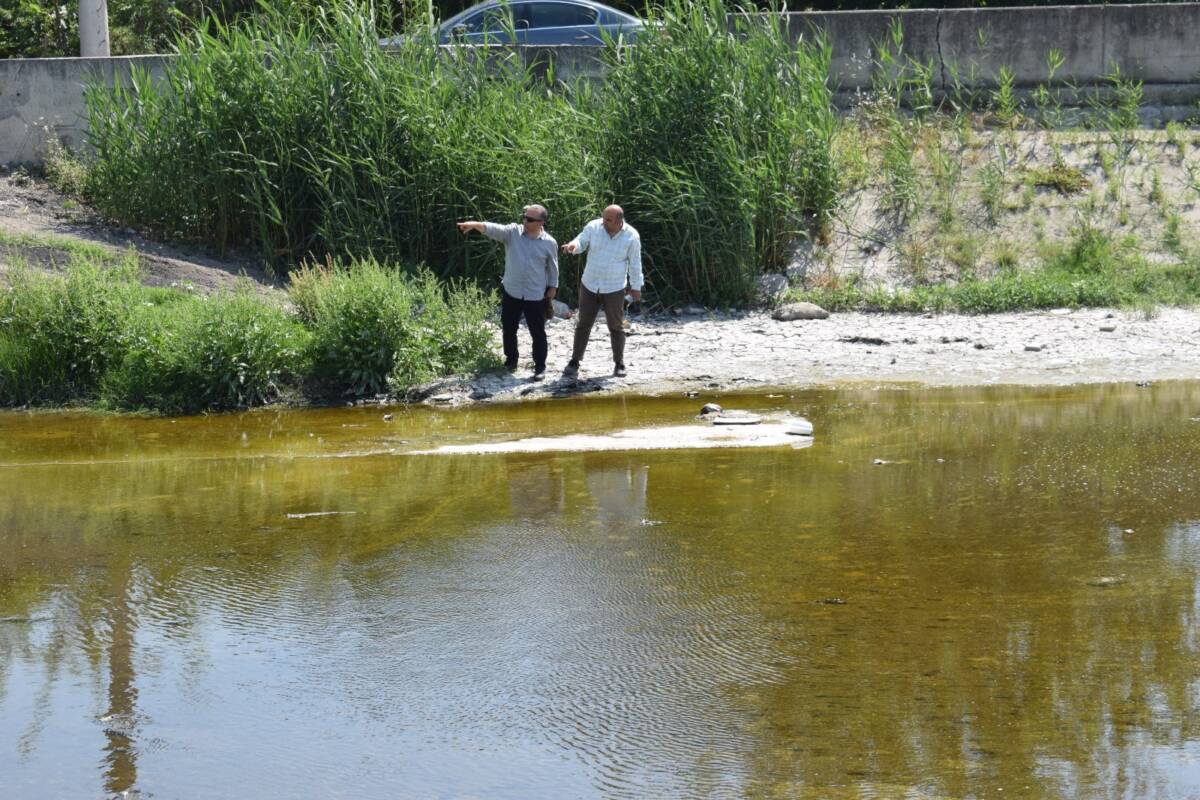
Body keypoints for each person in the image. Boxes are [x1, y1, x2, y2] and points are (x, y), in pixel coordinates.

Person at [458, 205, 558, 380]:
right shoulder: (512, 233)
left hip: (535, 294)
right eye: (524, 217)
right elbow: (493, 229)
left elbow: (553, 268)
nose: (524, 221)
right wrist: (475, 224)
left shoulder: (550, 243)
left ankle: (540, 366)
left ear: (541, 222)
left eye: (530, 219)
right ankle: (511, 361)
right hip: (512, 291)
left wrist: (552, 288)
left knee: (537, 331)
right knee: (508, 328)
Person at [560, 205, 642, 378]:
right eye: (604, 217)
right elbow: (581, 240)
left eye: (608, 220)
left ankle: (619, 364)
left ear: (619, 222)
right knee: (583, 323)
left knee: (616, 326)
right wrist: (573, 246)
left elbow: (635, 264)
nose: (603, 222)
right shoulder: (594, 227)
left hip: (614, 287)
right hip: (589, 284)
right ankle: (575, 361)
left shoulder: (631, 236)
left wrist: (636, 287)